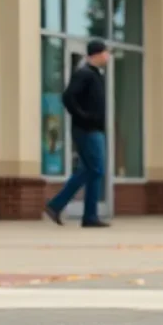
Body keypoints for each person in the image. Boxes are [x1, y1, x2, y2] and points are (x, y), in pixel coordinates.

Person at [45, 39, 111, 228]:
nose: (108, 56)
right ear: (97, 54)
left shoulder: (96, 75)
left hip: (93, 130)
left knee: (88, 170)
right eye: (106, 52)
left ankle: (85, 215)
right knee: (95, 169)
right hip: (87, 130)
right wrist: (85, 116)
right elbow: (68, 97)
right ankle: (59, 205)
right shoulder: (84, 74)